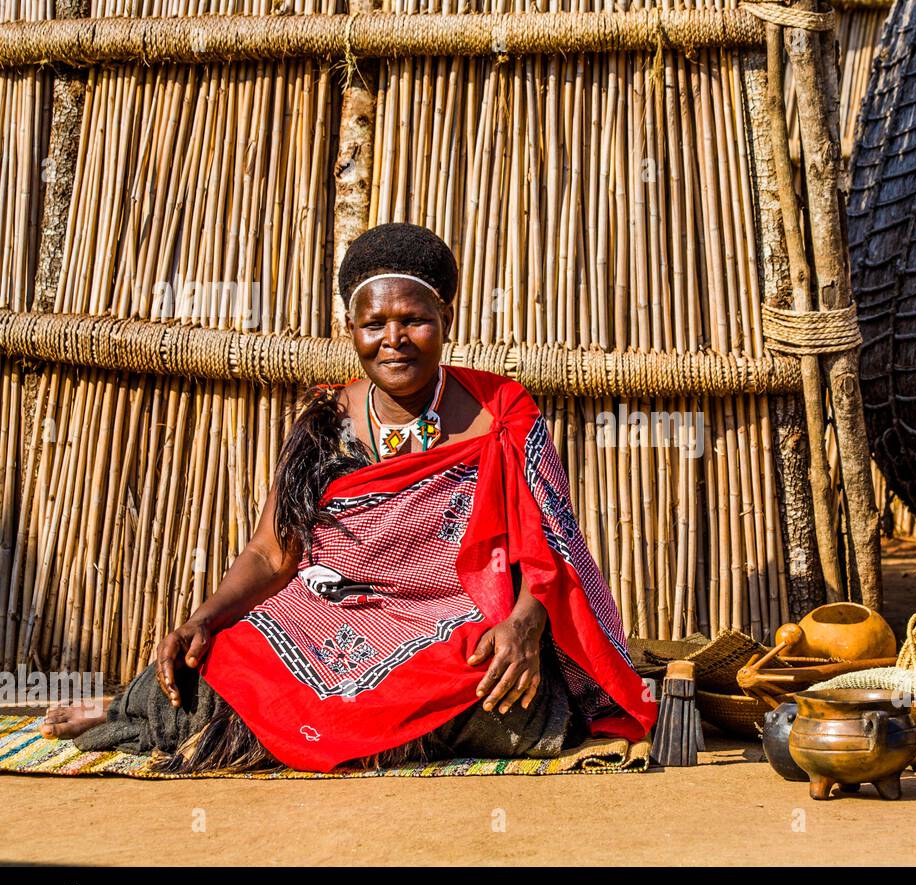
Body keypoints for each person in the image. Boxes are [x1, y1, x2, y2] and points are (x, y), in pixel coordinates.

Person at [41, 222, 656, 773]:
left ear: (446, 318)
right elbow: (269, 554)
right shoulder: (322, 425)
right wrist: (204, 616)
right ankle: (130, 708)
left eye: (414, 319)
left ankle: (266, 726)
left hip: (455, 620)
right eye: (374, 324)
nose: (395, 340)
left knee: (500, 686)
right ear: (350, 330)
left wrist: (524, 621)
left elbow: (553, 544)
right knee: (221, 659)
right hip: (333, 613)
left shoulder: (502, 415)